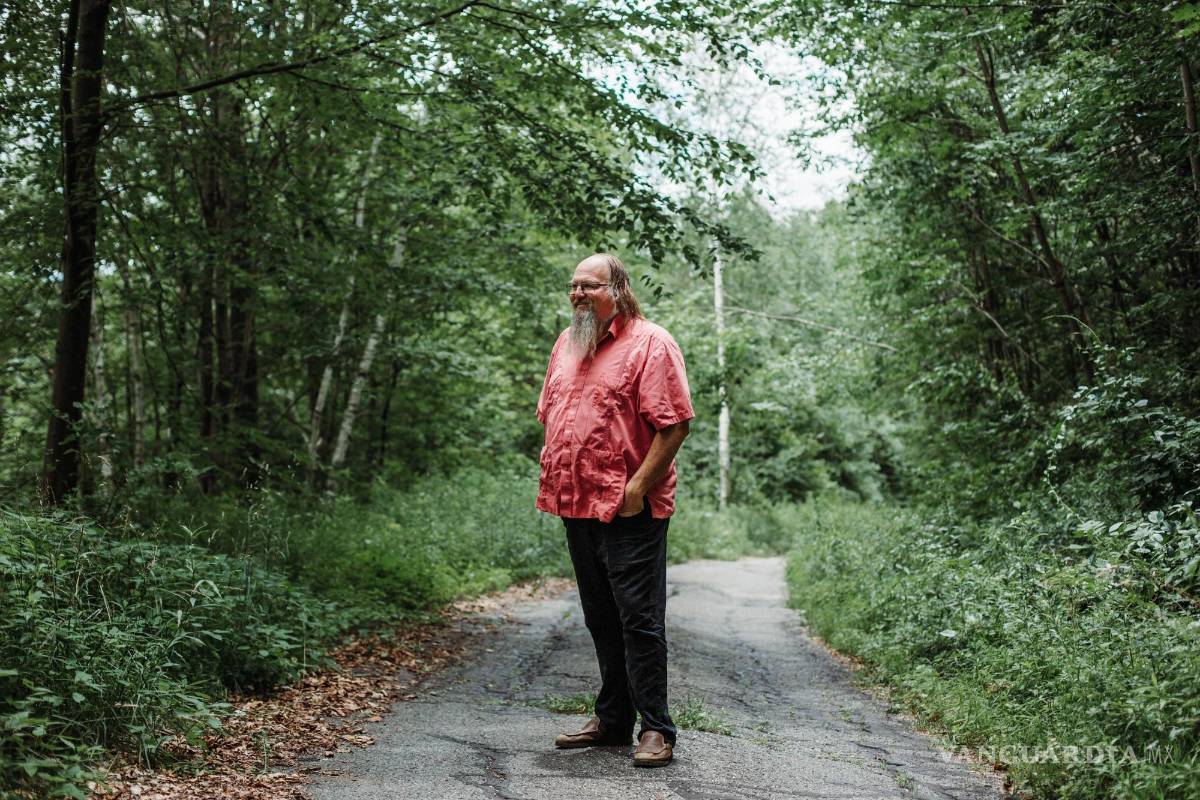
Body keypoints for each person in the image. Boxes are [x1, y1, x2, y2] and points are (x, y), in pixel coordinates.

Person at [535, 252, 693, 768]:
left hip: (631, 510)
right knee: (600, 616)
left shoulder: (651, 343)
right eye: (573, 286)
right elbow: (551, 415)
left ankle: (656, 728)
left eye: (591, 286)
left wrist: (636, 490)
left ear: (619, 290)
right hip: (575, 503)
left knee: (639, 620)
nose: (579, 294)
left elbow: (674, 424)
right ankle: (611, 721)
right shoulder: (566, 344)